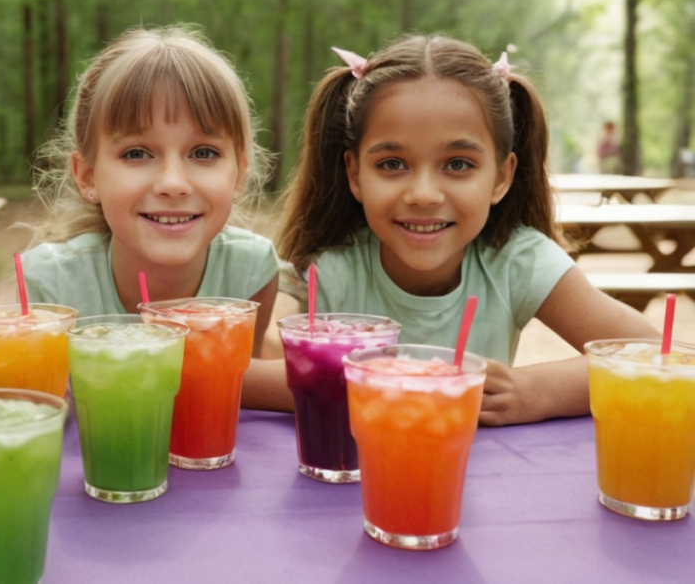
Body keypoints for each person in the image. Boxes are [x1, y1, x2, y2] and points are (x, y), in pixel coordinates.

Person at [266, 35, 659, 425]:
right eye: (391, 164)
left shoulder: (517, 260)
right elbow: (248, 364)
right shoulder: (325, 267)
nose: (423, 194)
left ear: (501, 178)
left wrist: (534, 391)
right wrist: (379, 386)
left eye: (457, 164)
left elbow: (650, 354)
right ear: (355, 174)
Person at [20, 25, 279, 404]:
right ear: (87, 176)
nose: (173, 183)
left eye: (203, 153)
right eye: (137, 153)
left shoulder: (252, 271)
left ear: (239, 174)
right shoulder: (49, 286)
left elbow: (234, 394)